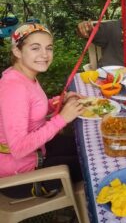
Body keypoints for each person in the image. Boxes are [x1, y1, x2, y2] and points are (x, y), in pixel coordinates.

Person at [0, 23, 84, 198]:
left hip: (38, 151)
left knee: (86, 145)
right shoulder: (14, 88)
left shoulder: (24, 75)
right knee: (93, 164)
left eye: (49, 48)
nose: (45, 55)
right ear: (17, 51)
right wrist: (62, 118)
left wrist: (58, 102)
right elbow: (19, 149)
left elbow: (33, 108)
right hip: (21, 176)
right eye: (35, 48)